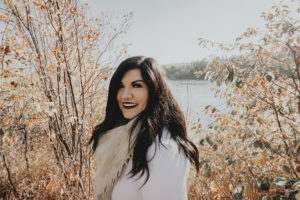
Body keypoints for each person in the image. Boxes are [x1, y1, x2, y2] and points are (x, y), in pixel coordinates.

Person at [89, 56, 199, 200]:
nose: (125, 95)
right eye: (121, 86)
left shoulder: (163, 148)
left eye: (137, 85)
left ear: (154, 91)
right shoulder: (128, 138)